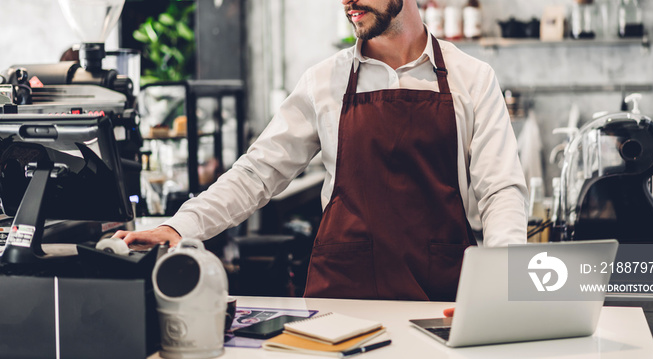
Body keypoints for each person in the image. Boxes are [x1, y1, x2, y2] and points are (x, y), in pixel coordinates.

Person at [115, 0, 528, 301]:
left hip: (444, 296)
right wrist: (180, 227)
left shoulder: (471, 78)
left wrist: (504, 288)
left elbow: (501, 191)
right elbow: (257, 173)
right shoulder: (324, 81)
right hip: (342, 300)